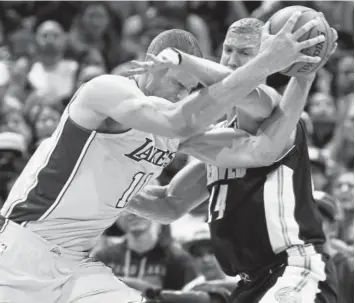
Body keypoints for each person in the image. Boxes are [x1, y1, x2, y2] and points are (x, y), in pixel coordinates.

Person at [0, 15, 326, 303]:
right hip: (25, 248)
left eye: (189, 89)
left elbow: (261, 152)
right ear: (151, 64)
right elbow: (178, 120)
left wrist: (303, 78)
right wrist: (266, 61)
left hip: (74, 263)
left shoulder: (178, 131)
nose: (180, 94)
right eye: (176, 83)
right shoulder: (106, 90)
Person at [128, 17, 339, 303]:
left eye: (245, 53)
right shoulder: (221, 137)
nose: (232, 60)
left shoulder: (271, 108)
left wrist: (182, 60)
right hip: (251, 283)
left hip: (294, 269)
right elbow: (169, 203)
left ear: (271, 58)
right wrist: (111, 193)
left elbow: (237, 87)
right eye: (228, 49)